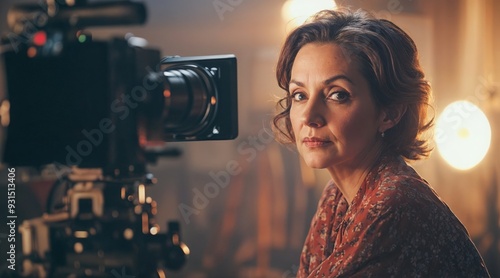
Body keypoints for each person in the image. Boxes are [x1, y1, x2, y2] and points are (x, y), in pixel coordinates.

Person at [273, 9, 490, 277]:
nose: (309, 116)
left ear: (389, 113)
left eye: (337, 95)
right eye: (299, 95)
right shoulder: (336, 197)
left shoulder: (395, 204)